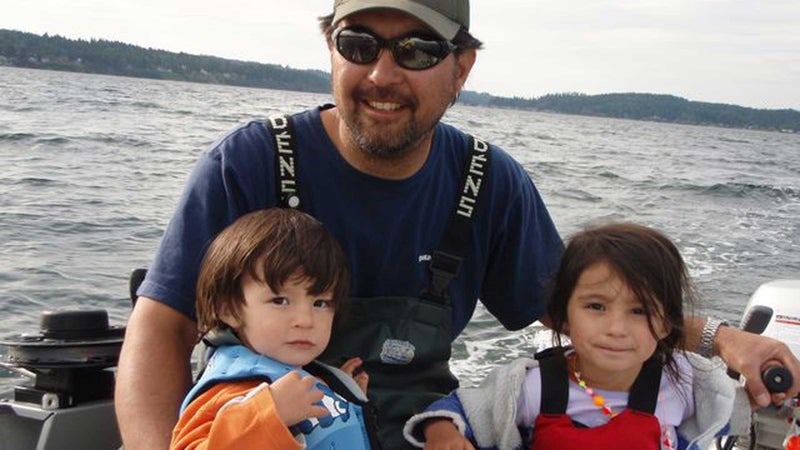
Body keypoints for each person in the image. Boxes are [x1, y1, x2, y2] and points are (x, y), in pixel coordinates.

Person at [115, 1, 800, 449]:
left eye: (415, 50)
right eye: (360, 44)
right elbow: (162, 324)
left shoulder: (490, 183)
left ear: (462, 67)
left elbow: (586, 313)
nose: (383, 74)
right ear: (330, 48)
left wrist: (721, 339)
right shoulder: (252, 160)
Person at [404, 223, 753, 450]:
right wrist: (443, 433)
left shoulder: (690, 384)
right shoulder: (530, 387)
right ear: (563, 316)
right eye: (596, 306)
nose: (616, 328)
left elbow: (738, 412)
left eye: (640, 311)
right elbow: (460, 409)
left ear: (666, 324)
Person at [170, 208, 379, 450]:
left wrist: (340, 393)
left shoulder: (302, 376)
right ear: (228, 310)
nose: (305, 320)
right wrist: (267, 415)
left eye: (320, 303)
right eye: (280, 301)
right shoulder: (229, 390)